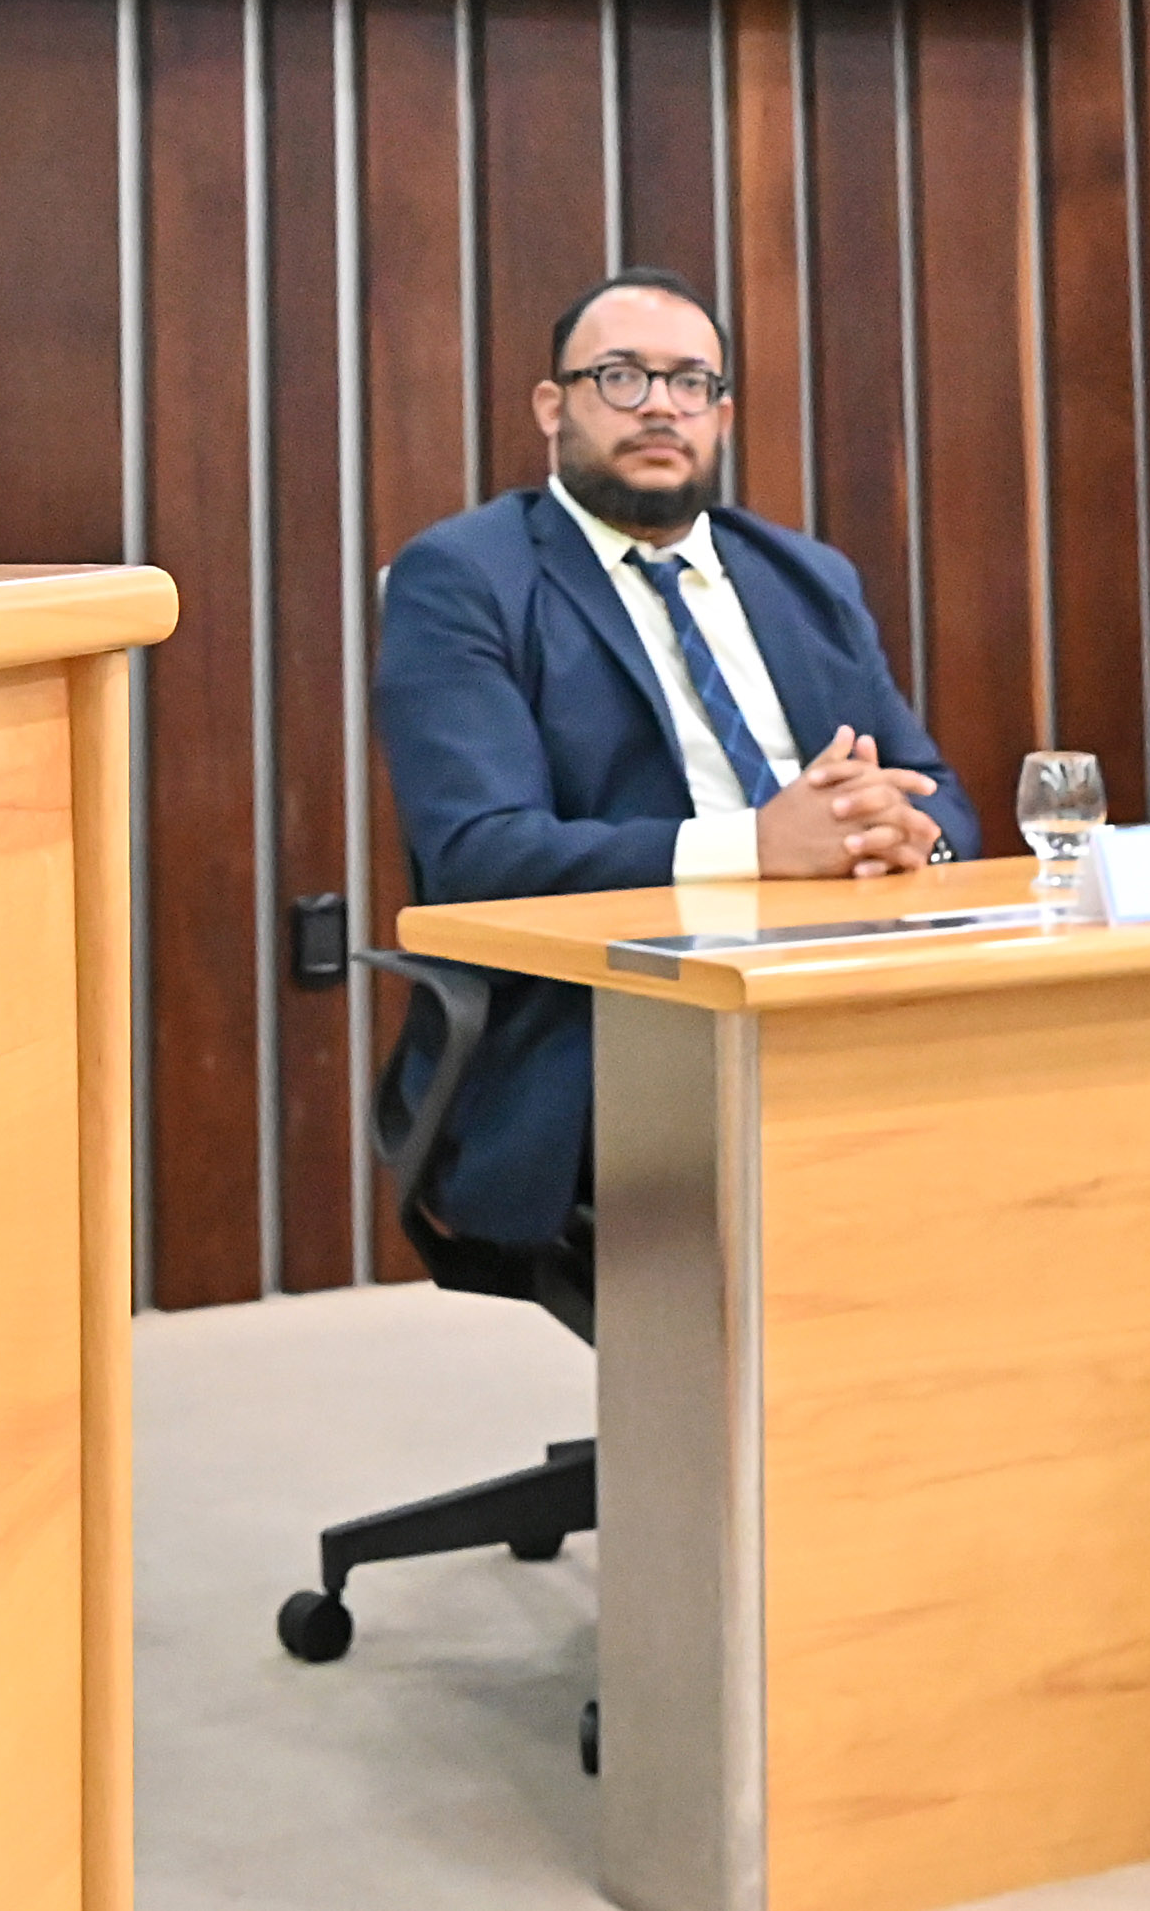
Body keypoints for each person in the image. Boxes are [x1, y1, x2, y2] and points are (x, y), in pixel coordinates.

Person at [370, 274, 977, 1269]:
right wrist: (756, 847)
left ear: (722, 417)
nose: (661, 406)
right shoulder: (467, 577)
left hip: (842, 982)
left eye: (691, 383)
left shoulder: (806, 577)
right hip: (617, 1017)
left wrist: (907, 832)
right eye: (621, 377)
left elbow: (938, 795)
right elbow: (479, 854)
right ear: (553, 407)